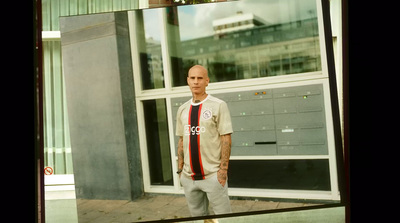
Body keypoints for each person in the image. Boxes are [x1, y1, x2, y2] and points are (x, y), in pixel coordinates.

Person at [175, 65, 233, 217]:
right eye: (192, 78)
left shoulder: (218, 105)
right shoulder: (182, 109)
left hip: (212, 176)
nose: (196, 82)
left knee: (224, 218)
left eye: (200, 78)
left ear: (207, 81)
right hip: (189, 178)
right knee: (198, 218)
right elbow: (182, 140)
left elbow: (226, 138)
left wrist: (223, 171)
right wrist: (180, 170)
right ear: (187, 80)